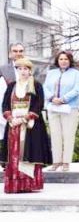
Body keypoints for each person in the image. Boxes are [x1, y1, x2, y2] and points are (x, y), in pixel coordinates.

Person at [1, 57, 52, 192]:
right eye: (20, 68)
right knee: (14, 154)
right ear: (16, 70)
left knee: (29, 153)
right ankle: (15, 185)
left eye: (25, 69)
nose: (23, 71)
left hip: (30, 125)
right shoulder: (12, 86)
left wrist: (24, 118)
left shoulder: (36, 85)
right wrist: (10, 118)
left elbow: (39, 104)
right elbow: (5, 104)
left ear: (30, 71)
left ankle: (28, 184)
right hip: (13, 125)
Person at [43, 51, 79, 171]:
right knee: (55, 135)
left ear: (70, 60)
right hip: (53, 107)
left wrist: (63, 99)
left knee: (68, 135)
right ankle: (56, 161)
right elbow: (45, 87)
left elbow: (78, 88)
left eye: (66, 59)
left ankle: (66, 162)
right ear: (57, 61)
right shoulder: (51, 73)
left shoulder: (76, 73)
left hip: (69, 107)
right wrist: (52, 98)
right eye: (61, 59)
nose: (63, 61)